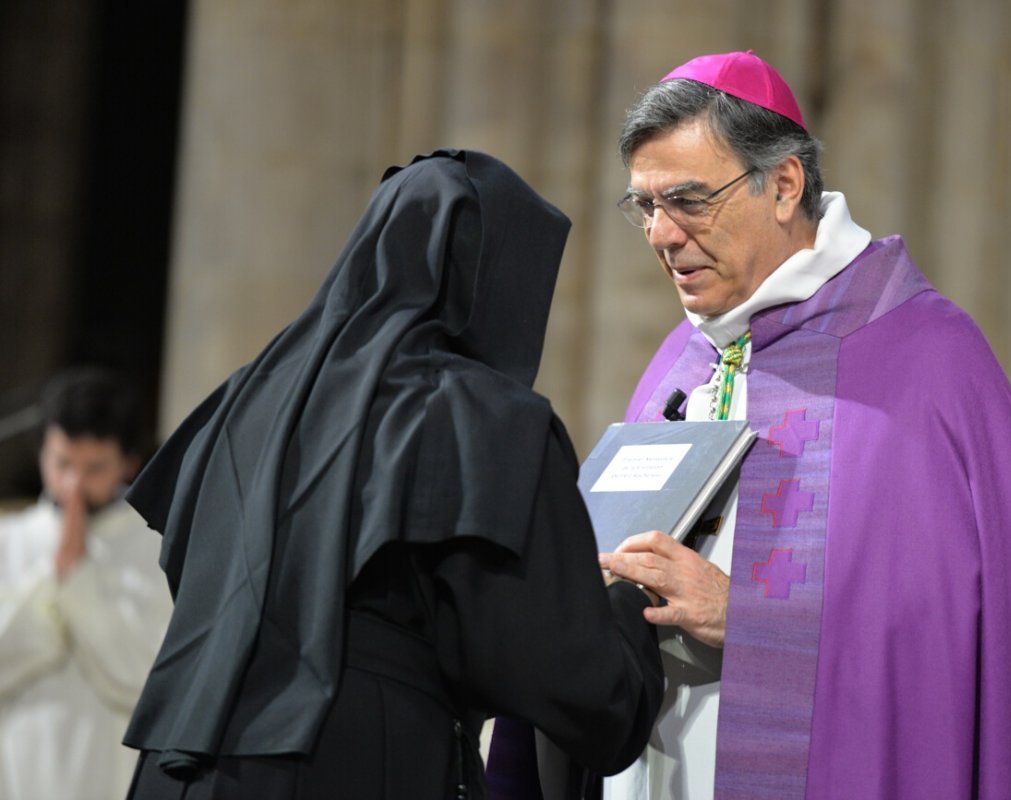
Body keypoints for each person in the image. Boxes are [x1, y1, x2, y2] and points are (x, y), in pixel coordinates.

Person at [495, 50, 1011, 799]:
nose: (662, 235)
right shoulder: (682, 361)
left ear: (785, 184)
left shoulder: (926, 365)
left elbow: (954, 642)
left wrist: (751, 620)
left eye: (689, 201)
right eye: (644, 206)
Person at [120, 149, 664, 800]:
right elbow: (547, 664)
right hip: (348, 758)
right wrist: (632, 610)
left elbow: (187, 565)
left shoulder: (243, 400)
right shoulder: (477, 417)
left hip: (179, 765)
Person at [0, 367, 172, 800]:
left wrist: (78, 581)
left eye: (94, 468)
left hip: (109, 770)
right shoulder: (8, 539)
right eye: (62, 464)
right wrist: (53, 576)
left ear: (128, 462)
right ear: (41, 453)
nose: (74, 485)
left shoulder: (155, 549)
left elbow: (144, 677)